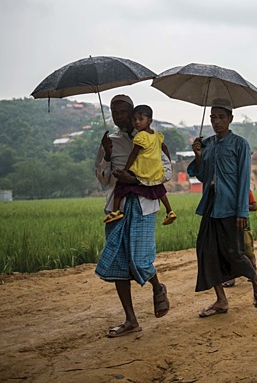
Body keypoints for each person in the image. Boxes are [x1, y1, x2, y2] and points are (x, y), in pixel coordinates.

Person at [94, 95, 171, 337]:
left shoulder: (152, 138)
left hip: (144, 205)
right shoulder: (110, 141)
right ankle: (130, 319)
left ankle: (158, 288)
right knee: (118, 261)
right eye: (114, 112)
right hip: (117, 207)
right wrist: (107, 156)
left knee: (139, 259)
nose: (118, 116)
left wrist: (136, 179)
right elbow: (103, 179)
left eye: (123, 111)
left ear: (134, 112)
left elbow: (167, 171)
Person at [188, 98, 257, 317]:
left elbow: (244, 179)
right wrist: (198, 155)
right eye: (213, 117)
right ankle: (221, 300)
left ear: (230, 119)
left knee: (234, 251)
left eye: (221, 117)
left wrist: (242, 210)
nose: (216, 121)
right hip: (211, 203)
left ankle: (256, 279)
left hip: (231, 205)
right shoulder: (208, 144)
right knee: (206, 251)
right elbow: (202, 176)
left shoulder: (240, 144)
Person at [104, 104, 177, 226]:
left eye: (140, 119)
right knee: (159, 189)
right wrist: (168, 164)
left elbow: (133, 154)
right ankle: (169, 211)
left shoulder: (140, 136)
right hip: (154, 170)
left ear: (149, 121)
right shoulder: (156, 135)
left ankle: (115, 211)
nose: (137, 122)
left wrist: (126, 171)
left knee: (120, 186)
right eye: (135, 120)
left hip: (141, 169)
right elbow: (165, 148)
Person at [222, 189, 257, 288]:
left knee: (248, 251)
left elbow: (254, 207)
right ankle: (231, 278)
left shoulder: (246, 191)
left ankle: (254, 273)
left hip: (244, 226)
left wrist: (240, 207)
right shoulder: (227, 190)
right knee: (230, 251)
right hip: (229, 226)